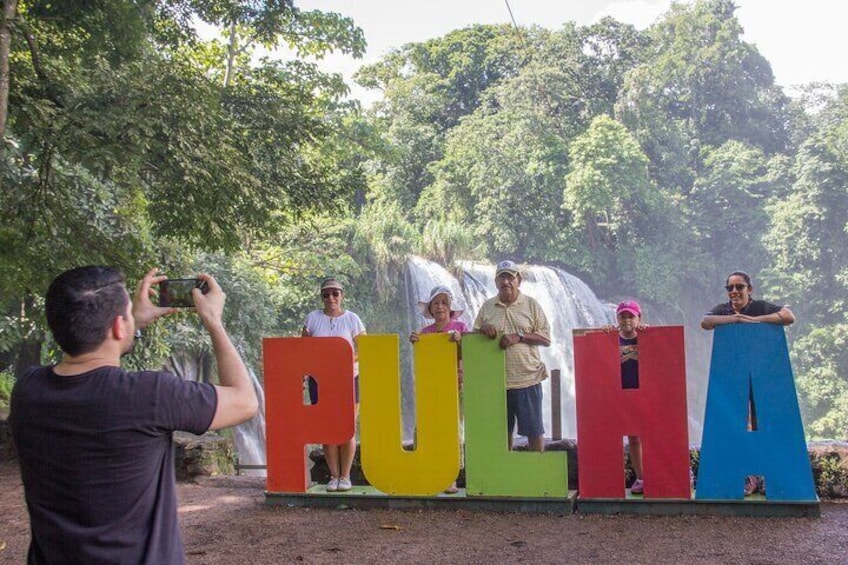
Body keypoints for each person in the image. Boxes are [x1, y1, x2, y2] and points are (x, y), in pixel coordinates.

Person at [9, 267, 258, 565]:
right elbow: (244, 400)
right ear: (117, 327)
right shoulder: (149, 396)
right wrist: (213, 320)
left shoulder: (28, 392)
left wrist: (129, 322)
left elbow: (85, 363)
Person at [700, 270, 795, 495]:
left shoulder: (760, 307)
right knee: (737, 426)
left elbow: (788, 316)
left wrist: (755, 320)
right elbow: (705, 322)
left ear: (749, 289)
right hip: (732, 376)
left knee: (759, 424)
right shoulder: (723, 310)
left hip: (761, 375)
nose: (734, 291)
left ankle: (762, 475)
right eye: (730, 287)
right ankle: (747, 476)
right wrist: (735, 319)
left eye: (739, 287)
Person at [474, 260, 551, 452]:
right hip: (497, 382)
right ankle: (504, 477)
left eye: (510, 277)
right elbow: (473, 341)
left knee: (534, 431)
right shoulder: (487, 307)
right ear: (496, 281)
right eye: (502, 277)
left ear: (519, 280)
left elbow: (546, 338)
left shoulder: (531, 305)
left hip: (528, 379)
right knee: (501, 433)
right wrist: (483, 329)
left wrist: (520, 336)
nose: (506, 281)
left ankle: (537, 475)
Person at [302, 277, 366, 492]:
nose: (331, 298)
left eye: (335, 293)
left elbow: (364, 349)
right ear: (322, 297)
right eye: (326, 294)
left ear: (342, 295)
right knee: (326, 427)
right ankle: (334, 476)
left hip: (349, 378)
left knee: (347, 427)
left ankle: (346, 476)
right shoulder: (312, 319)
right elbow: (303, 350)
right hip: (319, 380)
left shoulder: (352, 319)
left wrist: (344, 361)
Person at [409, 285, 468, 493]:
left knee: (453, 430)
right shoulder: (425, 332)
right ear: (431, 309)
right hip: (431, 389)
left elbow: (470, 356)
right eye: (436, 303)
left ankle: (451, 476)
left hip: (455, 387)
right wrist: (415, 343)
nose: (440, 306)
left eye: (444, 302)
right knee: (424, 429)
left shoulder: (461, 328)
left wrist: (460, 342)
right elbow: (423, 361)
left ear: (450, 307)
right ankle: (427, 471)